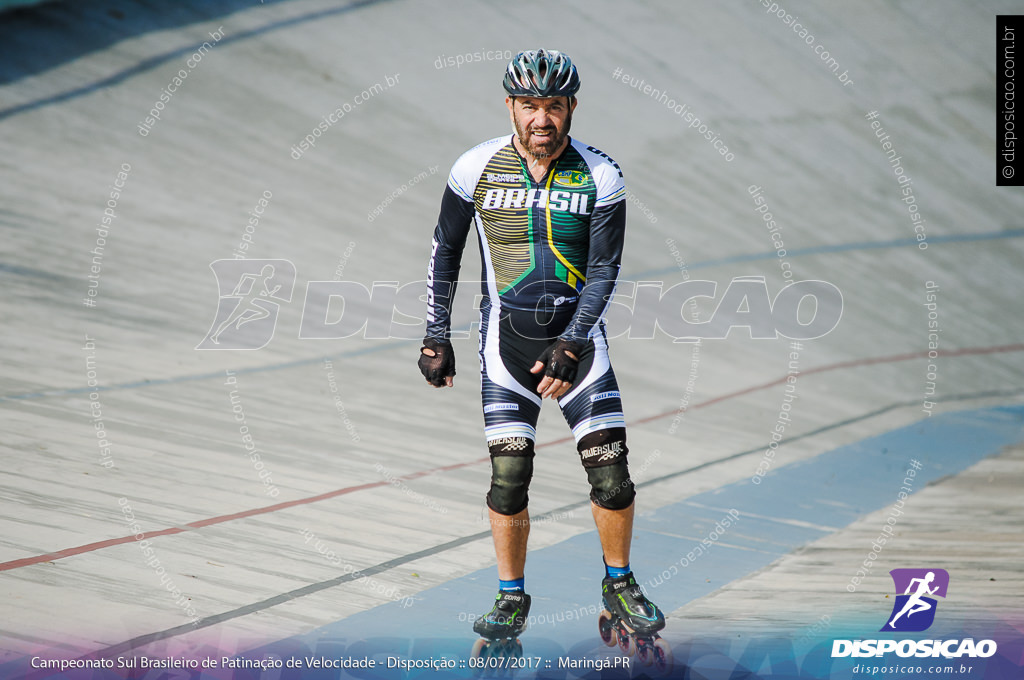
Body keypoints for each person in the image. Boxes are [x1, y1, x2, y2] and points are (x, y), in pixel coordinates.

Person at [419, 49, 665, 642]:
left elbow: (605, 269)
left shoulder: (602, 174)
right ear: (510, 106)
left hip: (578, 348)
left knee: (613, 476)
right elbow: (444, 251)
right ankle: (509, 597)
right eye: (529, 106)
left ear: (571, 107)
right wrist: (434, 334)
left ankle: (619, 581)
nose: (541, 119)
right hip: (504, 344)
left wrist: (572, 344)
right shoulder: (473, 168)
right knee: (509, 478)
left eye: (553, 106)